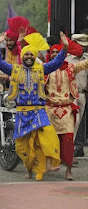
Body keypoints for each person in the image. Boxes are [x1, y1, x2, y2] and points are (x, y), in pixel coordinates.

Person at [0, 31, 69, 180]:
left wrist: (65, 48)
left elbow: (56, 63)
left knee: (48, 135)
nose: (29, 57)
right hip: (22, 112)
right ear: (23, 57)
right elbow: (0, 63)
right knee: (23, 145)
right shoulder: (15, 70)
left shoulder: (41, 69)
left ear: (35, 57)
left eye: (31, 55)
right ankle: (28, 169)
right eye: (26, 55)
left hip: (38, 110)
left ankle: (47, 164)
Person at [45, 42, 88, 180]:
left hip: (66, 110)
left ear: (63, 55)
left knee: (68, 140)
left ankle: (68, 171)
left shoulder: (71, 68)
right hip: (50, 110)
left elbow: (84, 64)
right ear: (50, 55)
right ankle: (47, 164)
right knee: (48, 140)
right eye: (53, 52)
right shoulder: (45, 69)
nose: (55, 54)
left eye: (58, 52)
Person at [70, 33, 88, 157]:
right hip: (69, 95)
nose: (83, 48)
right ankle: (69, 149)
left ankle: (75, 148)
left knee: (79, 121)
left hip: (82, 94)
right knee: (71, 122)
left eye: (84, 46)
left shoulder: (87, 59)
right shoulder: (67, 59)